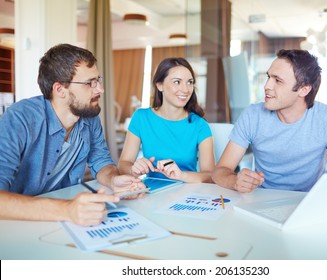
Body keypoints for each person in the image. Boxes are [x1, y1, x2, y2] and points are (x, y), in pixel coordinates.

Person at [212, 49, 327, 221]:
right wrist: (235, 181)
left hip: (311, 204)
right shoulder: (252, 115)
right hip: (261, 200)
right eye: (268, 77)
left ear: (303, 89)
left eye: (277, 81)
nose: (267, 86)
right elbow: (219, 172)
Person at [0, 44, 146, 226]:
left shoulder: (90, 118)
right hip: (19, 222)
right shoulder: (20, 119)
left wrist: (114, 180)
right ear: (60, 90)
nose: (100, 89)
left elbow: (101, 163)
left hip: (63, 219)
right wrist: (67, 210)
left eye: (98, 80)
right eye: (89, 83)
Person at [118, 57, 214, 183]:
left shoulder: (200, 125)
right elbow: (123, 164)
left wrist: (181, 176)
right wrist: (133, 169)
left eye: (189, 82)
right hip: (150, 193)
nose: (186, 89)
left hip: (186, 193)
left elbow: (210, 176)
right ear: (159, 85)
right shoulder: (141, 117)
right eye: (177, 82)